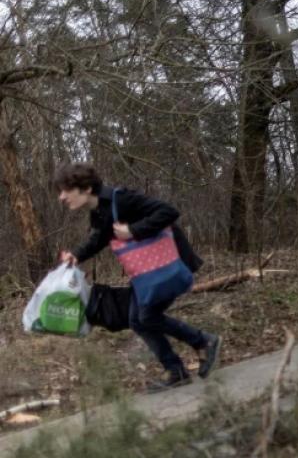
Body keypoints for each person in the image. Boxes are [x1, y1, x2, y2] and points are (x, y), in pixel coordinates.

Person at [54, 164, 222, 392]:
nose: (61, 197)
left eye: (66, 190)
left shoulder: (121, 199)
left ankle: (202, 343)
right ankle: (177, 369)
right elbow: (99, 239)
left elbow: (169, 211)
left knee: (145, 316)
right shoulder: (100, 211)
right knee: (138, 319)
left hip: (170, 263)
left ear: (85, 188)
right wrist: (76, 256)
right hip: (148, 271)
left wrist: (134, 230)